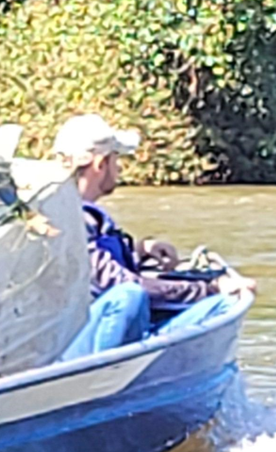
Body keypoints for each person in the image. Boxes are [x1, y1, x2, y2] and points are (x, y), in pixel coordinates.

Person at [52, 114, 253, 356]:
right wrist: (210, 288)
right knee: (131, 296)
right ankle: (108, 380)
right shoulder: (71, 220)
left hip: (93, 327)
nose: (120, 167)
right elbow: (118, 285)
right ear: (101, 163)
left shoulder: (72, 212)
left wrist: (140, 250)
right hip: (79, 348)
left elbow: (95, 267)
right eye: (117, 159)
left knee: (222, 305)